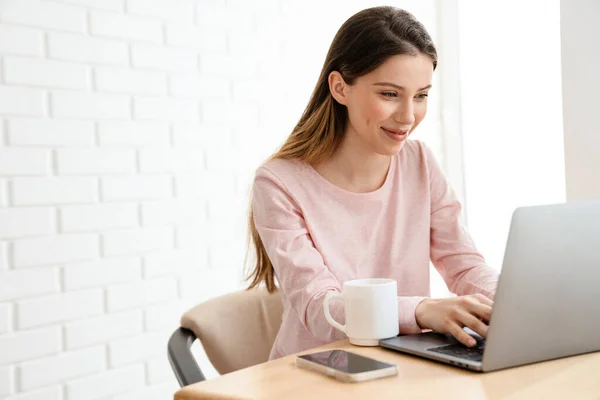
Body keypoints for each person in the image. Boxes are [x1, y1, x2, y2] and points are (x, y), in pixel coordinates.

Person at [245, 6, 499, 360]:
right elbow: (321, 308)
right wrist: (421, 310)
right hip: (318, 374)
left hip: (407, 367)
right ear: (340, 88)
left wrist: (510, 299)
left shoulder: (420, 162)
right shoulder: (278, 183)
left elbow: (465, 266)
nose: (408, 116)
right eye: (390, 94)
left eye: (421, 95)